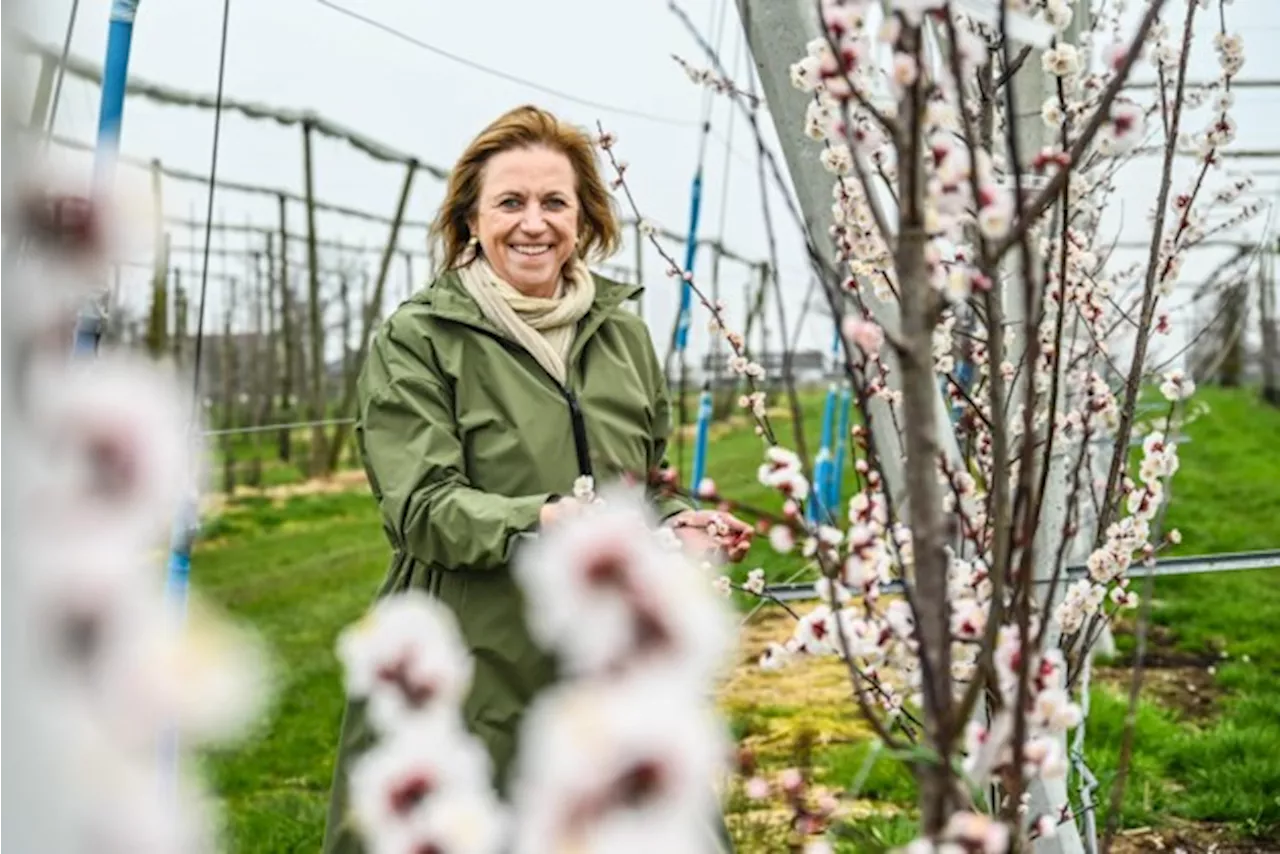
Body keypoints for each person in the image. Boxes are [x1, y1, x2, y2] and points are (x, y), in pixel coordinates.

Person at [321, 104, 753, 853]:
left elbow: (645, 480)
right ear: (470, 219)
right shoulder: (419, 339)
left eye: (554, 201)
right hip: (475, 655)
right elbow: (420, 508)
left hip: (609, 650)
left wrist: (677, 519)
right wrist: (541, 520)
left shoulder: (623, 332)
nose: (534, 223)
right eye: (510, 202)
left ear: (584, 217)